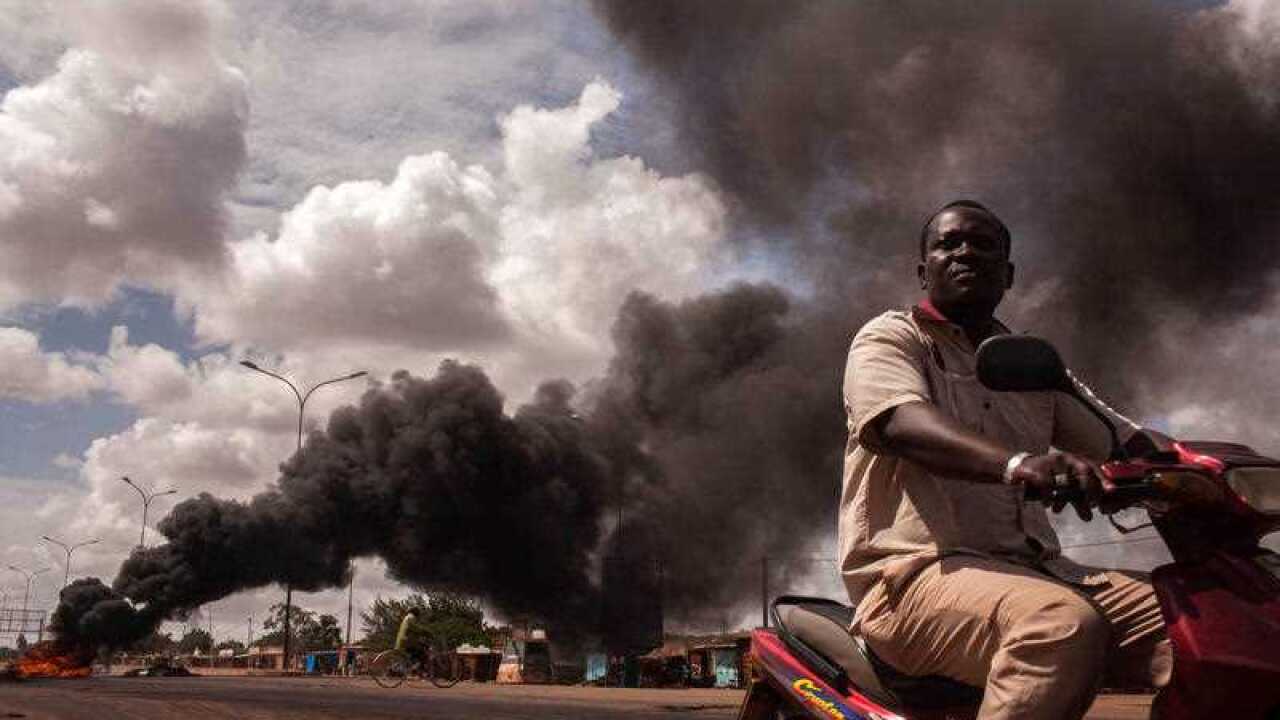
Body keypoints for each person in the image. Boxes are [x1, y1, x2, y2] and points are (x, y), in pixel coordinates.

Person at [839, 200, 1171, 720]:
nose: (965, 253)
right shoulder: (892, 338)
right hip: (911, 580)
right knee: (1058, 625)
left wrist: (1212, 469)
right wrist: (1019, 463)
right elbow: (901, 422)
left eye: (983, 245)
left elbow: (1125, 442)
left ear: (1009, 274)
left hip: (1041, 571)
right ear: (924, 271)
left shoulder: (1030, 364)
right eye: (949, 244)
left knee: (1199, 621)